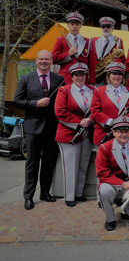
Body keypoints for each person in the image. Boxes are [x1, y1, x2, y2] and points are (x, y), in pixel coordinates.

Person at [13, 50, 65, 210]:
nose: (44, 61)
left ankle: (45, 193)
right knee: (32, 163)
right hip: (33, 128)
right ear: (36, 61)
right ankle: (28, 197)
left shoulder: (59, 79)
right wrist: (36, 103)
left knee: (48, 163)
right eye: (41, 59)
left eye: (47, 59)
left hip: (52, 128)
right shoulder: (26, 78)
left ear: (51, 61)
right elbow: (17, 101)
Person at [95, 116, 129, 231]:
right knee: (104, 191)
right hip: (112, 184)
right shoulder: (105, 148)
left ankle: (124, 209)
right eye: (120, 132)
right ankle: (110, 219)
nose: (124, 135)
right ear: (114, 133)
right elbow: (102, 173)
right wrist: (122, 184)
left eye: (127, 131)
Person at [54, 63, 94, 207]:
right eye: (76, 75)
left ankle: (78, 193)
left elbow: (96, 109)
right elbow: (60, 111)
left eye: (82, 74)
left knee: (83, 165)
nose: (80, 77)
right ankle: (69, 196)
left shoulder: (93, 90)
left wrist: (89, 120)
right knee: (71, 165)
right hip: (69, 133)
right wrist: (79, 122)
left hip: (87, 133)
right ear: (71, 76)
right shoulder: (64, 90)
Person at [90, 62, 129, 145]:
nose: (117, 76)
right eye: (114, 74)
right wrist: (110, 122)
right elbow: (94, 110)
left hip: (123, 134)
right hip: (104, 133)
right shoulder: (99, 91)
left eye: (119, 74)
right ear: (108, 75)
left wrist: (122, 122)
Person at [52, 12, 90, 84]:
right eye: (72, 24)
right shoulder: (61, 39)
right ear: (68, 25)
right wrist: (68, 53)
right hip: (66, 78)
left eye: (77, 24)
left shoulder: (88, 41)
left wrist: (91, 81)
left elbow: (90, 62)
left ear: (80, 25)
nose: (74, 26)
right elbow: (53, 58)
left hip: (83, 78)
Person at [88, 16, 125, 86]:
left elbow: (121, 58)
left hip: (110, 75)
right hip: (95, 76)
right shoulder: (93, 40)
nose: (105, 28)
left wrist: (112, 63)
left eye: (108, 26)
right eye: (103, 26)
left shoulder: (118, 41)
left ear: (112, 28)